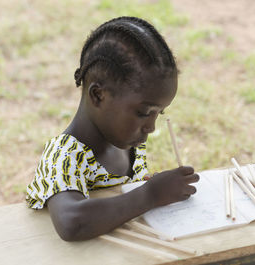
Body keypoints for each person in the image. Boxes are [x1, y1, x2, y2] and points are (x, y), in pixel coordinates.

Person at [26, 16, 199, 241]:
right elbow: (72, 223)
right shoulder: (63, 156)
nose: (151, 127)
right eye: (144, 113)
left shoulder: (128, 145)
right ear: (99, 95)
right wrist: (151, 194)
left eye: (160, 113)